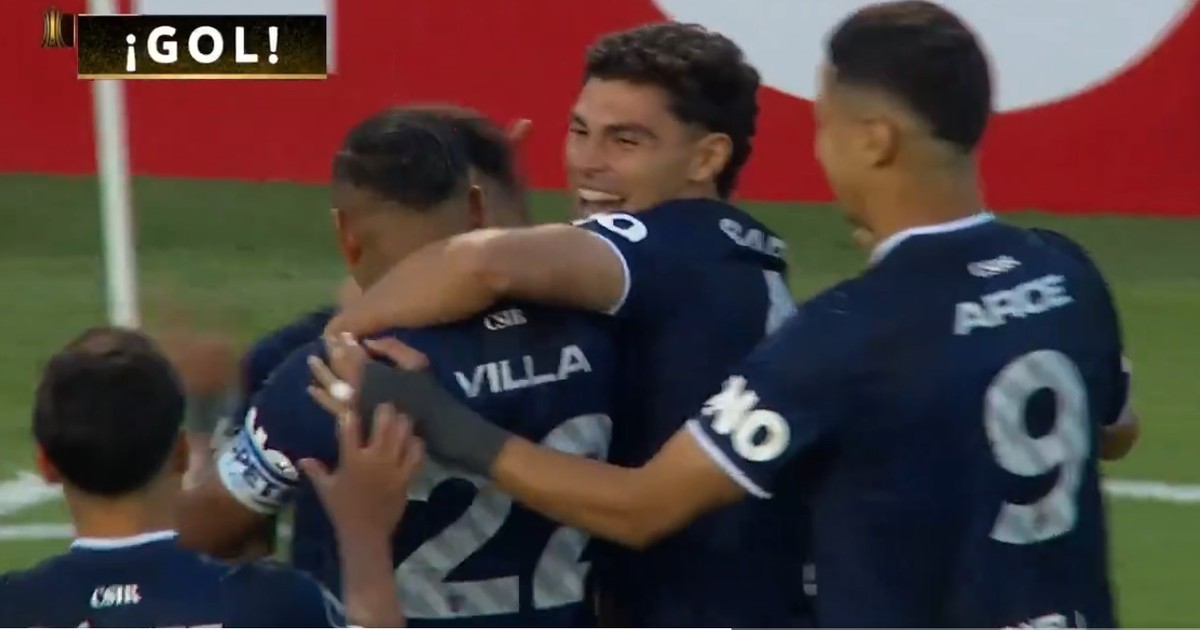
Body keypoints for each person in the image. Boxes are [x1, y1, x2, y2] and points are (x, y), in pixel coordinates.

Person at [319, 2, 1141, 627]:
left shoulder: (846, 331)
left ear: (875, 140)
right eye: (580, 132)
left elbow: (640, 507)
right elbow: (1114, 428)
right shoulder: (1063, 271)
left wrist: (429, 410)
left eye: (826, 126)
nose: (820, 150)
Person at [324, 22, 805, 628]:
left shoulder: (672, 245)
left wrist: (339, 340)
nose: (588, 163)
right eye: (580, 131)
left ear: (706, 158)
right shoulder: (732, 258)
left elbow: (483, 265)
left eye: (625, 141)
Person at [177, 108, 618, 627]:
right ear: (478, 209)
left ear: (346, 235)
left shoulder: (329, 377)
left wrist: (199, 435)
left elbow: (201, 535)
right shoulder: (600, 335)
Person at [0, 326, 415, 628]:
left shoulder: (12, 608)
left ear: (46, 465)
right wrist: (365, 538)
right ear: (181, 455)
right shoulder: (272, 603)